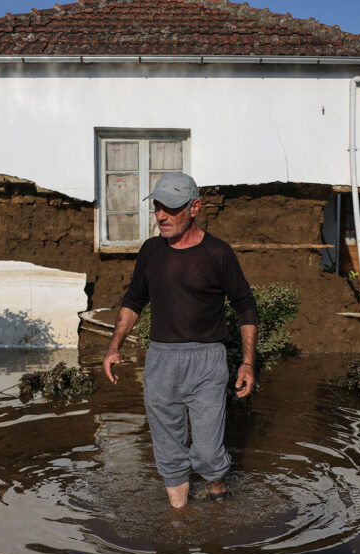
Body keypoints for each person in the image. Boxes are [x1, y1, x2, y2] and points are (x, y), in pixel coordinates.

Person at [102, 172, 259, 509]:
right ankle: (180, 520)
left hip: (207, 360)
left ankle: (218, 490)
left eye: (171, 208)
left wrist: (247, 362)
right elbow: (133, 301)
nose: (161, 216)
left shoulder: (218, 254)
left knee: (207, 450)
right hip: (160, 361)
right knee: (169, 450)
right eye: (157, 207)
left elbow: (245, 305)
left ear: (194, 208)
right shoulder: (150, 251)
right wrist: (114, 346)